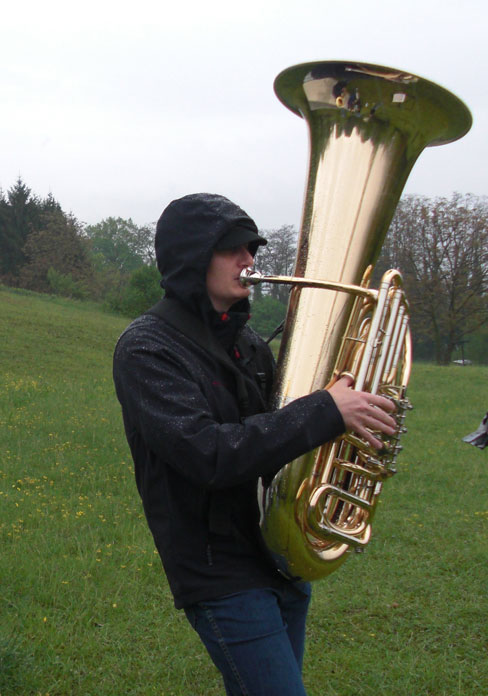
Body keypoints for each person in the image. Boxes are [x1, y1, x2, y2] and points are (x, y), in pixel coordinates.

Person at [112, 193, 397, 696]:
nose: (249, 260)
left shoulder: (249, 346)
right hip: (218, 568)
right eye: (233, 249)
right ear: (192, 257)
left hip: (280, 554)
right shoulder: (147, 348)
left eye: (251, 247)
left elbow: (282, 443)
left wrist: (353, 438)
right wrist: (325, 411)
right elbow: (208, 454)